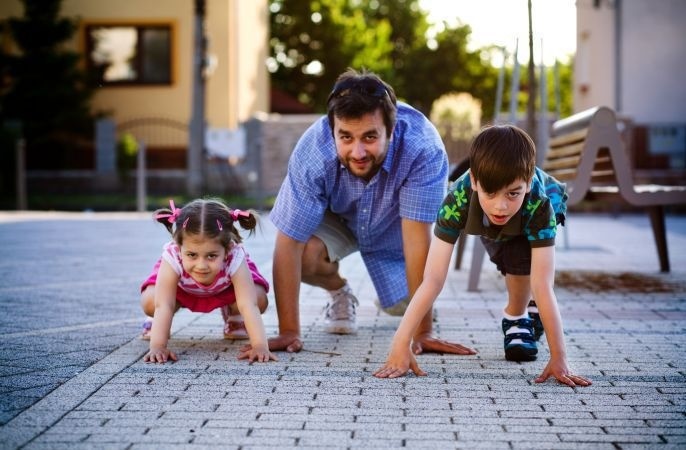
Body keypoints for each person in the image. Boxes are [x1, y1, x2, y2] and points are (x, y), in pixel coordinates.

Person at [260, 67, 477, 358]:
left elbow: (417, 241)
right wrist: (289, 331)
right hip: (338, 217)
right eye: (346, 137)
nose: (358, 152)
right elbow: (288, 241)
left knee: (401, 306)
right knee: (305, 256)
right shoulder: (313, 153)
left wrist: (422, 333)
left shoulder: (423, 149)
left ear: (391, 128)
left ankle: (412, 307)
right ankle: (340, 292)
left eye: (370, 137)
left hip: (395, 227)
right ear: (332, 128)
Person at [373, 124, 592, 387]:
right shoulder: (458, 200)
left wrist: (559, 358)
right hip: (490, 226)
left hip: (531, 217)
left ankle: (517, 316)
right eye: (491, 193)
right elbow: (432, 279)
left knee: (523, 265)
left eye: (513, 193)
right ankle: (525, 311)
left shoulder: (538, 202)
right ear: (475, 181)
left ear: (528, 182)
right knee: (508, 258)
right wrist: (401, 342)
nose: (501, 205)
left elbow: (544, 284)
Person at [139, 198, 277, 364]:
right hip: (182, 292)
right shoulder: (172, 255)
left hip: (224, 292)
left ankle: (235, 317)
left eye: (211, 256)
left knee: (258, 298)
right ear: (179, 246)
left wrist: (260, 345)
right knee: (151, 301)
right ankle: (157, 325)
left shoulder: (235, 256)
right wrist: (158, 346)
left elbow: (249, 303)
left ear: (226, 250)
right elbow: (164, 303)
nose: (201, 265)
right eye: (192, 255)